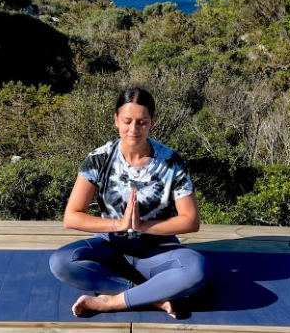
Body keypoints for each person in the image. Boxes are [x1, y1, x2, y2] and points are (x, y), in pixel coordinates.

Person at [49, 85, 209, 318]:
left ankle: (113, 302)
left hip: (157, 252)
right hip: (111, 248)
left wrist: (143, 226)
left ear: (152, 122)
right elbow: (72, 216)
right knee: (61, 262)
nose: (133, 129)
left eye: (142, 122)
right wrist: (118, 225)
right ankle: (153, 296)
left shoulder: (171, 162)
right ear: (116, 120)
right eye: (127, 121)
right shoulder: (99, 159)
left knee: (197, 269)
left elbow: (190, 221)